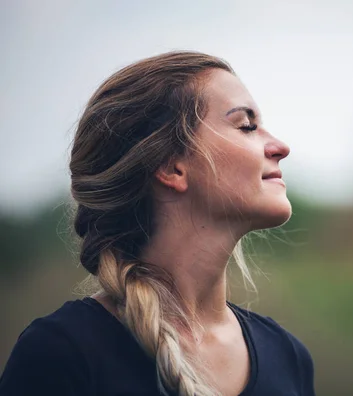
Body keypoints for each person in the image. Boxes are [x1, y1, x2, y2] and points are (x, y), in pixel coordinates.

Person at [0, 51, 315, 396]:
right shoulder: (61, 354)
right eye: (246, 125)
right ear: (171, 167)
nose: (280, 147)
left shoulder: (289, 357)